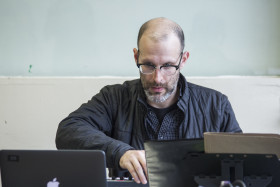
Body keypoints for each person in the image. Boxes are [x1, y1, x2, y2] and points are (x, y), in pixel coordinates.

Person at [56, 17, 242, 184]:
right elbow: (68, 131)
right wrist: (119, 152)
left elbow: (242, 167)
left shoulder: (216, 106)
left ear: (183, 59)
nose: (157, 78)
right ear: (136, 56)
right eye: (148, 65)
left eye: (168, 66)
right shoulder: (114, 98)